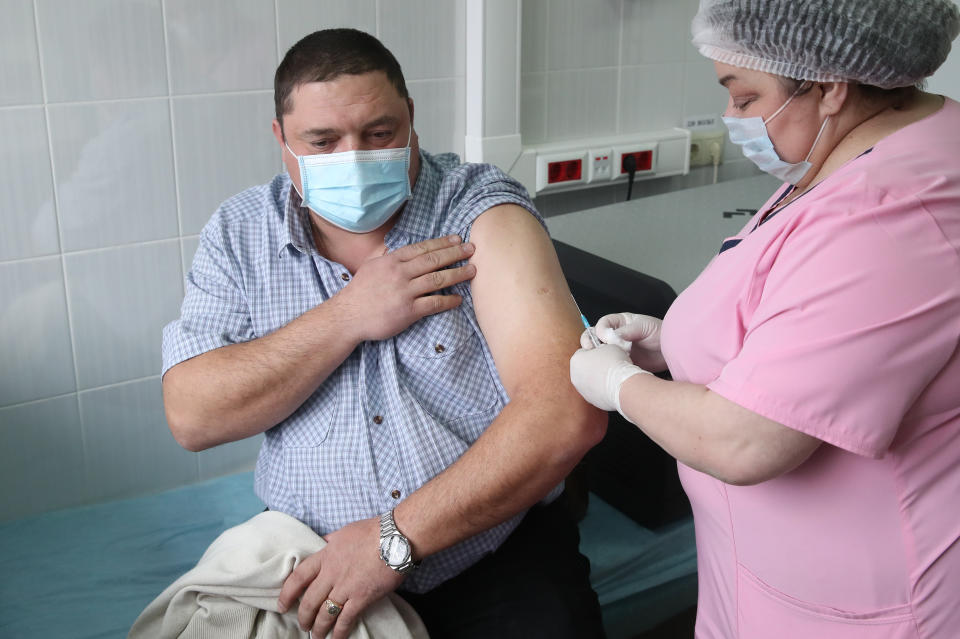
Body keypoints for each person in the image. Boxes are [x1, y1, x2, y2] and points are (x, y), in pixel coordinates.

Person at [161, 28, 607, 639]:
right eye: (323, 141)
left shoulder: (478, 209)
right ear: (280, 139)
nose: (355, 157)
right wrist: (349, 315)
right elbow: (193, 417)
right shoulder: (240, 234)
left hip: (491, 555)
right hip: (316, 559)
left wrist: (390, 541)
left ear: (412, 118)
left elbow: (565, 414)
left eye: (379, 134)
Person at [569, 1, 960, 637]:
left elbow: (746, 441)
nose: (732, 119)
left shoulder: (893, 213)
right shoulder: (856, 146)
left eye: (745, 97)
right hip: (763, 570)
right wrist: (679, 344)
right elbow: (816, 322)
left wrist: (618, 385)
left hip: (862, 600)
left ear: (831, 85)